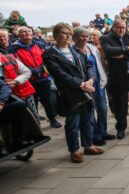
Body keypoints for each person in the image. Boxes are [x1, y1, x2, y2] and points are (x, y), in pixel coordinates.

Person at [43, 23, 104, 163]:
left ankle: (88, 145)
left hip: (85, 89)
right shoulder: (50, 54)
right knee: (73, 123)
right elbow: (59, 74)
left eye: (70, 34)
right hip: (69, 92)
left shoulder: (74, 50)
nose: (68, 36)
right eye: (64, 33)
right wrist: (80, 84)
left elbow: (88, 64)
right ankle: (74, 151)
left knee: (88, 120)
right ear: (55, 35)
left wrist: (90, 80)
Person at [9, 26, 62, 128]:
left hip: (44, 78)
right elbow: (15, 62)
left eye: (29, 31)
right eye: (23, 32)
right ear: (18, 35)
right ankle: (35, 123)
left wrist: (42, 67)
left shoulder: (39, 44)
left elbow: (47, 57)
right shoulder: (13, 48)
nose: (27, 33)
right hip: (28, 80)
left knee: (47, 101)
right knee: (33, 102)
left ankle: (52, 120)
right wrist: (31, 70)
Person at [73, 28, 114, 145]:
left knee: (102, 109)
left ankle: (103, 132)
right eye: (82, 36)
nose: (85, 38)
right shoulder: (73, 51)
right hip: (85, 86)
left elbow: (100, 64)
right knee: (90, 112)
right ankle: (95, 136)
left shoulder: (92, 48)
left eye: (87, 36)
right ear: (76, 37)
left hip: (98, 83)